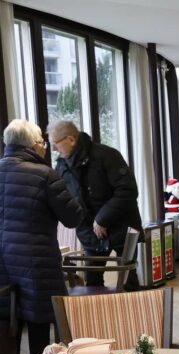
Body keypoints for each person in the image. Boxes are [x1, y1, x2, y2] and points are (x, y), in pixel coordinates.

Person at [0, 120, 83, 354]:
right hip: (36, 263)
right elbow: (73, 217)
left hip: (3, 263)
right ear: (34, 145)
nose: (45, 148)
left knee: (7, 319)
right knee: (38, 321)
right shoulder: (44, 175)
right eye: (43, 143)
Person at [49, 119, 142, 290]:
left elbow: (127, 191)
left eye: (56, 143)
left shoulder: (106, 155)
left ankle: (132, 314)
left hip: (122, 227)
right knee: (92, 281)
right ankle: (98, 316)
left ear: (71, 140)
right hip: (90, 232)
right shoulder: (61, 166)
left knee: (128, 281)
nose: (54, 149)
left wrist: (102, 219)